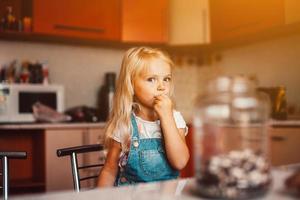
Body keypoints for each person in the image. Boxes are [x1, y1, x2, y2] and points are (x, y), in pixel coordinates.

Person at [97, 47, 190, 187]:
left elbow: (180, 162)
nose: (162, 87)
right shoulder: (125, 124)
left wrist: (166, 117)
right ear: (132, 84)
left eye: (166, 79)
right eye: (151, 79)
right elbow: (110, 170)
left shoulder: (175, 119)